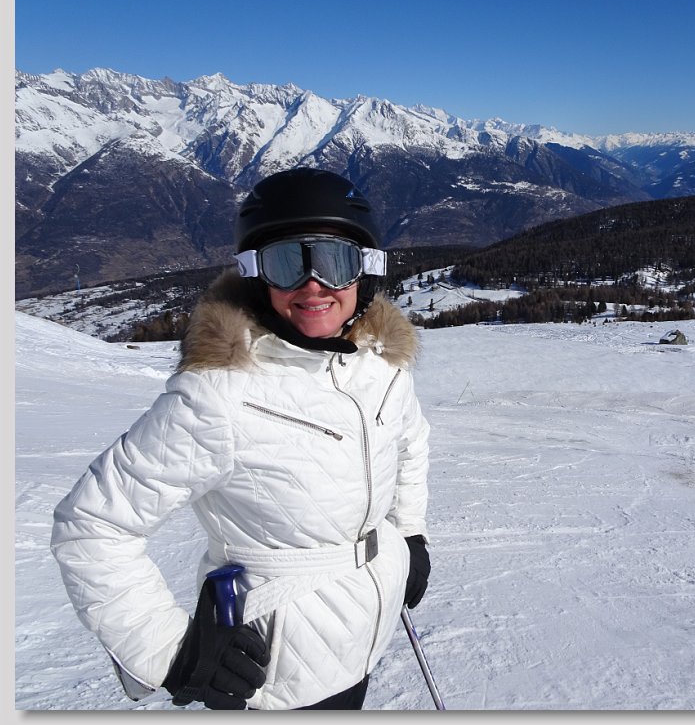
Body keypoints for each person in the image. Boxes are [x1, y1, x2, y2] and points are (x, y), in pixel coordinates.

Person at [50, 168, 432, 710]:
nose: (313, 284)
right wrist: (173, 654)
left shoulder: (381, 365)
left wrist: (409, 534)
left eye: (335, 260)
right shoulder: (219, 395)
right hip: (268, 674)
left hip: (363, 636)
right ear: (256, 276)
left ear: (365, 272)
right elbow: (91, 525)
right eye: (286, 262)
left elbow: (410, 444)